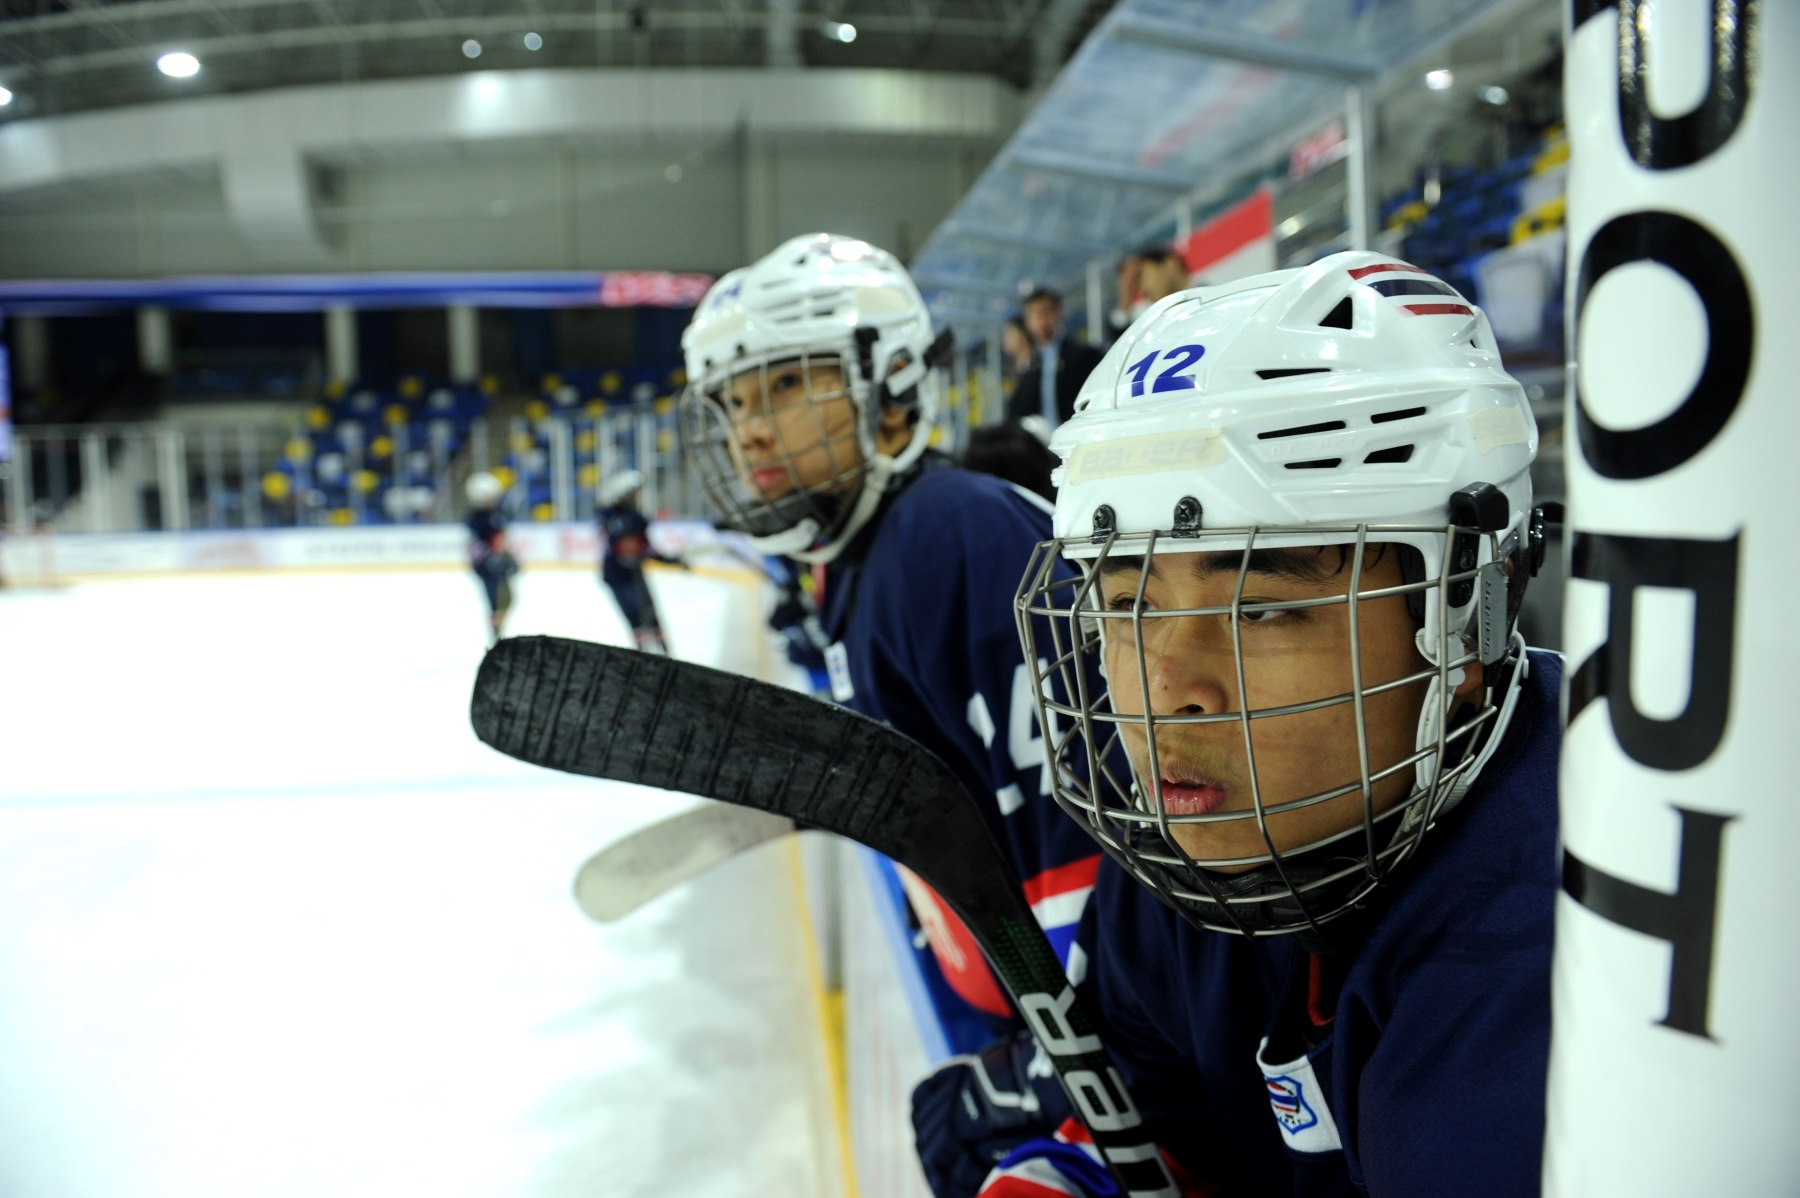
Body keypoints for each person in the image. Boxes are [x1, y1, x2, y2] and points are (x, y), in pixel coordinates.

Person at [983, 250, 1559, 1196]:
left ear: (1467, 622)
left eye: (1258, 609)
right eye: (1125, 604)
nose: (1167, 687)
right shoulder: (1192, 853)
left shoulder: (1542, 987)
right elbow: (1149, 1125)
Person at [679, 234, 1107, 1192]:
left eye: (785, 387)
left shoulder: (951, 537)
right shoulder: (867, 559)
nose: (750, 430)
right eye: (737, 402)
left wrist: (1046, 1077)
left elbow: (1096, 846)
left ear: (894, 387)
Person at [595, 469, 671, 653]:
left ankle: (666, 653)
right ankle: (642, 655)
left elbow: (644, 547)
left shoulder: (636, 518)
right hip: (617, 576)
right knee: (634, 617)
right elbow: (625, 547)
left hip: (634, 573)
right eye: (633, 493)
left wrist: (667, 559)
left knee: (651, 617)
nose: (636, 497)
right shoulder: (609, 516)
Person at [1007, 287, 1104, 430]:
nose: (1041, 319)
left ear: (1058, 313)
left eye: (1046, 312)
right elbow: (1018, 413)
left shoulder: (1084, 356)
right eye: (1034, 314)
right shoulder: (1028, 367)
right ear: (1027, 322)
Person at [464, 471, 518, 644]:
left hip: (489, 564)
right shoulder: (483, 519)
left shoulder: (487, 516)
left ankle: (497, 633)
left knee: (503, 600)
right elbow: (491, 543)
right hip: (489, 566)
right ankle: (496, 636)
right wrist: (499, 557)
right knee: (498, 601)